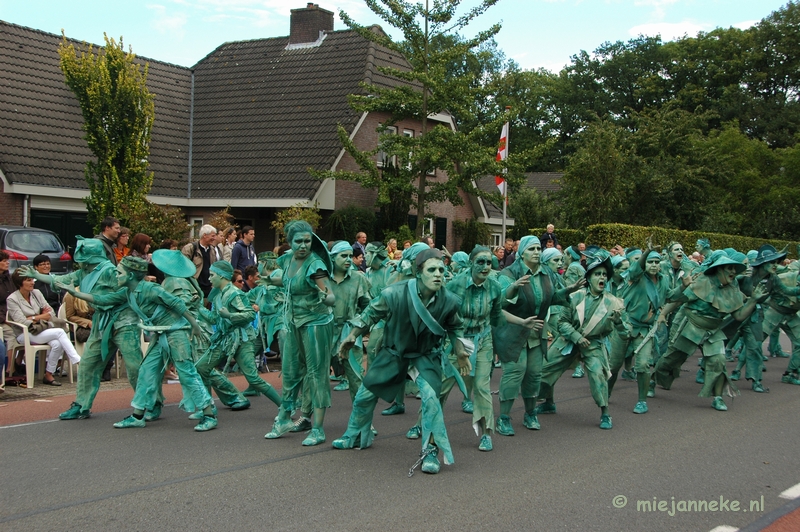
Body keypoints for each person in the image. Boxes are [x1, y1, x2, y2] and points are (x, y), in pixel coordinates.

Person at [332, 249, 470, 475]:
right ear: (418, 272)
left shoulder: (450, 301)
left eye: (442, 270)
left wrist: (460, 348)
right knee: (364, 396)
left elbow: (455, 326)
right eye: (432, 270)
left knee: (432, 401)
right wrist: (352, 335)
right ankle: (354, 435)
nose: (438, 275)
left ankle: (430, 451)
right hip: (393, 353)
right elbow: (370, 314)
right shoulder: (394, 293)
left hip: (426, 356)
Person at [24, 237, 143, 420]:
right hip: (101, 322)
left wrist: (98, 300)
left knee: (134, 366)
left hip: (124, 321)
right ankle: (81, 404)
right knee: (87, 364)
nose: (80, 260)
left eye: (83, 256)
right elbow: (62, 279)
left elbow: (125, 292)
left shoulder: (110, 271)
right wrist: (38, 275)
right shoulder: (84, 272)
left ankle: (148, 403)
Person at [652, 252, 764, 411]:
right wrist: (663, 314)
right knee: (672, 359)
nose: (733, 272)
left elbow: (738, 316)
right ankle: (653, 379)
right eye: (729, 268)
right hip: (691, 326)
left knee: (718, 361)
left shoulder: (733, 288)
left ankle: (717, 398)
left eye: (734, 269)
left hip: (713, 329)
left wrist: (753, 300)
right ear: (719, 269)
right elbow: (678, 300)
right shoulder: (702, 281)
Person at [494, 235, 583, 435]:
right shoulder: (510, 272)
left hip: (536, 333)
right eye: (531, 249)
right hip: (513, 332)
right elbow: (499, 302)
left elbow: (552, 298)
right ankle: (504, 418)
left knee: (534, 374)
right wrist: (512, 288)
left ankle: (530, 413)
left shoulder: (547, 274)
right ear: (521, 252)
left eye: (538, 249)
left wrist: (568, 290)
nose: (536, 252)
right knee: (515, 372)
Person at [265, 221, 336, 446]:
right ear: (290, 242)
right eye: (299, 241)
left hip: (316, 323)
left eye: (307, 241)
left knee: (316, 374)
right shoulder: (288, 260)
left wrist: (329, 298)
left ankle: (318, 428)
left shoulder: (315, 264)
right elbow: (287, 281)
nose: (303, 245)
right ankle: (285, 418)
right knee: (291, 369)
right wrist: (270, 280)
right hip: (293, 322)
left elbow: (330, 294)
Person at [539, 255, 626, 429]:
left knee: (598, 373)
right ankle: (548, 402)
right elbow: (562, 322)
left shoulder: (614, 303)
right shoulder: (576, 296)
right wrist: (576, 337)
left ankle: (605, 413)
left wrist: (618, 322)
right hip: (569, 339)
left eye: (604, 274)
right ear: (588, 278)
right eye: (597, 274)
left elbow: (625, 332)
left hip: (593, 344)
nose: (601, 277)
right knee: (545, 367)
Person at [194, 261, 282, 416]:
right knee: (201, 367)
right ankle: (207, 408)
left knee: (253, 379)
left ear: (221, 276)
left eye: (212, 275)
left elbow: (248, 314)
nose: (209, 279)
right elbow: (215, 319)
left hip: (242, 340)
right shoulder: (218, 295)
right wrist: (199, 307)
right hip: (225, 340)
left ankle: (284, 407)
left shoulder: (234, 293)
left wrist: (230, 316)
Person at [7, 269, 81, 386]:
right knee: (60, 332)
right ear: (20, 283)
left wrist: (33, 317)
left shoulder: (36, 293)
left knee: (57, 344)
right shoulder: (12, 299)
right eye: (28, 280)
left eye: (32, 279)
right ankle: (77, 360)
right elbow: (21, 321)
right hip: (24, 334)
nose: (32, 282)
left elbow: (50, 312)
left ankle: (48, 374)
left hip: (41, 330)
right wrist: (40, 316)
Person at [181, 224, 218, 301]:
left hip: (209, 288)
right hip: (194, 287)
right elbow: (183, 268)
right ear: (205, 235)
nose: (214, 238)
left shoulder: (212, 250)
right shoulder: (190, 248)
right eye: (213, 236)